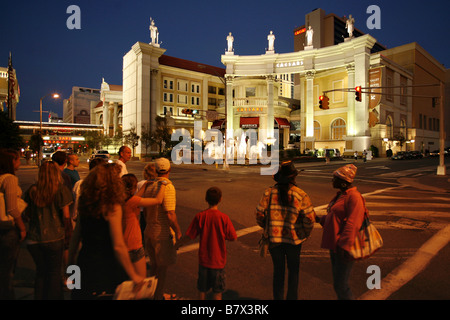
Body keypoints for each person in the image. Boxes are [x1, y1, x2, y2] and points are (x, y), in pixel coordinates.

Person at [68, 163, 144, 300]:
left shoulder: (86, 202)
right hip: (106, 265)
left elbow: (75, 236)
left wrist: (70, 264)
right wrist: (133, 274)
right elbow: (118, 245)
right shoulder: (112, 205)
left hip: (84, 261)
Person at [256, 161, 316, 300]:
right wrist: (304, 233)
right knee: (293, 272)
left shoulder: (268, 193)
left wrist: (268, 227)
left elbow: (259, 215)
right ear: (293, 177)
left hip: (274, 241)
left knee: (278, 272)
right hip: (294, 241)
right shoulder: (300, 194)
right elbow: (309, 219)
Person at [23, 161, 73, 300]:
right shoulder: (61, 190)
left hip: (34, 238)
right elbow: (66, 216)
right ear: (56, 173)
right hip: (55, 237)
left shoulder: (32, 190)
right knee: (53, 273)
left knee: (41, 273)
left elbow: (26, 214)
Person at [176, 187, 237, 300]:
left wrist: (177, 244)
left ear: (206, 199)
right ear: (220, 199)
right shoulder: (224, 218)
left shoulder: (200, 216)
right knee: (217, 292)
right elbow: (233, 237)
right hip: (218, 262)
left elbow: (189, 235)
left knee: (201, 290)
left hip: (204, 261)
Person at [316, 164, 365, 300]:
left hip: (344, 247)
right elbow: (335, 217)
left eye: (335, 179)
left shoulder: (354, 197)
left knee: (341, 285)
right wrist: (319, 219)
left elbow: (353, 223)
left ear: (344, 183)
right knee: (338, 284)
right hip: (336, 245)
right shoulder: (340, 195)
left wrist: (345, 246)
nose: (332, 181)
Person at [142, 157, 182, 300]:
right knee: (162, 269)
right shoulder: (167, 187)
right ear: (169, 170)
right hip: (162, 235)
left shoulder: (149, 185)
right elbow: (170, 214)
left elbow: (145, 211)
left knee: (153, 267)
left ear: (157, 170)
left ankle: (151, 294)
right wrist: (178, 231)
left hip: (149, 231)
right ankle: (157, 296)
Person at [121, 173, 166, 278]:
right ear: (132, 188)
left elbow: (136, 197)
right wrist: (163, 185)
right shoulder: (132, 201)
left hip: (123, 244)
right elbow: (157, 200)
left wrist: (145, 186)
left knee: (127, 279)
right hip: (134, 245)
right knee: (140, 279)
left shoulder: (121, 200)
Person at [0, 149, 27, 299]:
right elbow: (12, 208)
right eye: (17, 159)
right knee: (7, 270)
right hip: (8, 228)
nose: (19, 162)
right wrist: (22, 227)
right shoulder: (9, 179)